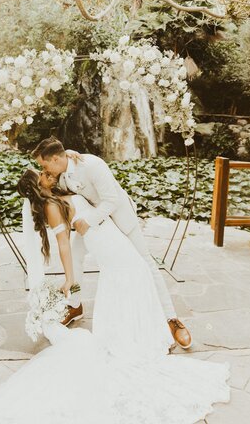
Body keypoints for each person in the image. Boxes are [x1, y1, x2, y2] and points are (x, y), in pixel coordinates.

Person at [0, 168, 230, 424]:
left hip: (111, 236)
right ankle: (135, 337)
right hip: (104, 245)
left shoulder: (60, 193)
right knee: (130, 274)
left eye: (44, 171)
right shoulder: (52, 207)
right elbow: (64, 245)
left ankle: (142, 331)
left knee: (137, 273)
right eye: (42, 175)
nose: (47, 174)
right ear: (38, 188)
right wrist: (69, 279)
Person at [32, 136, 192, 349]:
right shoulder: (60, 173)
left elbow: (111, 200)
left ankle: (171, 319)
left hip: (118, 219)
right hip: (95, 227)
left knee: (146, 264)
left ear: (54, 159)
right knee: (75, 256)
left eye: (43, 165)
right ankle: (75, 305)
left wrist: (87, 221)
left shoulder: (93, 165)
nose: (43, 170)